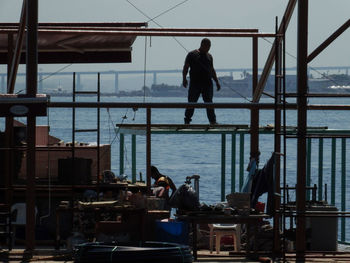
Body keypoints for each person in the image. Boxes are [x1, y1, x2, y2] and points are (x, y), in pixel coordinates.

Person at [182, 38, 221, 125]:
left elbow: (212, 70)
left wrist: (217, 82)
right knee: (192, 102)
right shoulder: (192, 54)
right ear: (202, 45)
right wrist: (184, 79)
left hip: (207, 83)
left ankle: (212, 121)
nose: (208, 48)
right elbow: (186, 67)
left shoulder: (209, 56)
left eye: (209, 46)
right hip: (195, 83)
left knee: (209, 102)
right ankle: (187, 120)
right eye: (207, 46)